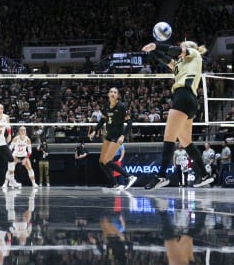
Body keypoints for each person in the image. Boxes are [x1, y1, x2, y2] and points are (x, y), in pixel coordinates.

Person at [141, 40, 215, 189]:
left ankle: (161, 176)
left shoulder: (194, 54)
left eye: (184, 45)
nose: (181, 47)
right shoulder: (180, 64)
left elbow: (174, 50)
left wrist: (156, 45)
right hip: (190, 101)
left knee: (169, 137)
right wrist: (152, 51)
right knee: (186, 141)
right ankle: (205, 174)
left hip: (183, 96)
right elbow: (167, 60)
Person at [89, 87, 137, 190]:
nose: (113, 93)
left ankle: (129, 176)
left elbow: (129, 123)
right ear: (108, 94)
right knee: (101, 161)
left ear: (117, 96)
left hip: (117, 136)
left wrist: (123, 136)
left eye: (115, 92)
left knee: (107, 160)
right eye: (111, 91)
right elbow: (102, 121)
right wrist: (94, 131)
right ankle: (114, 183)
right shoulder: (106, 106)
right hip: (109, 135)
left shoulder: (121, 107)